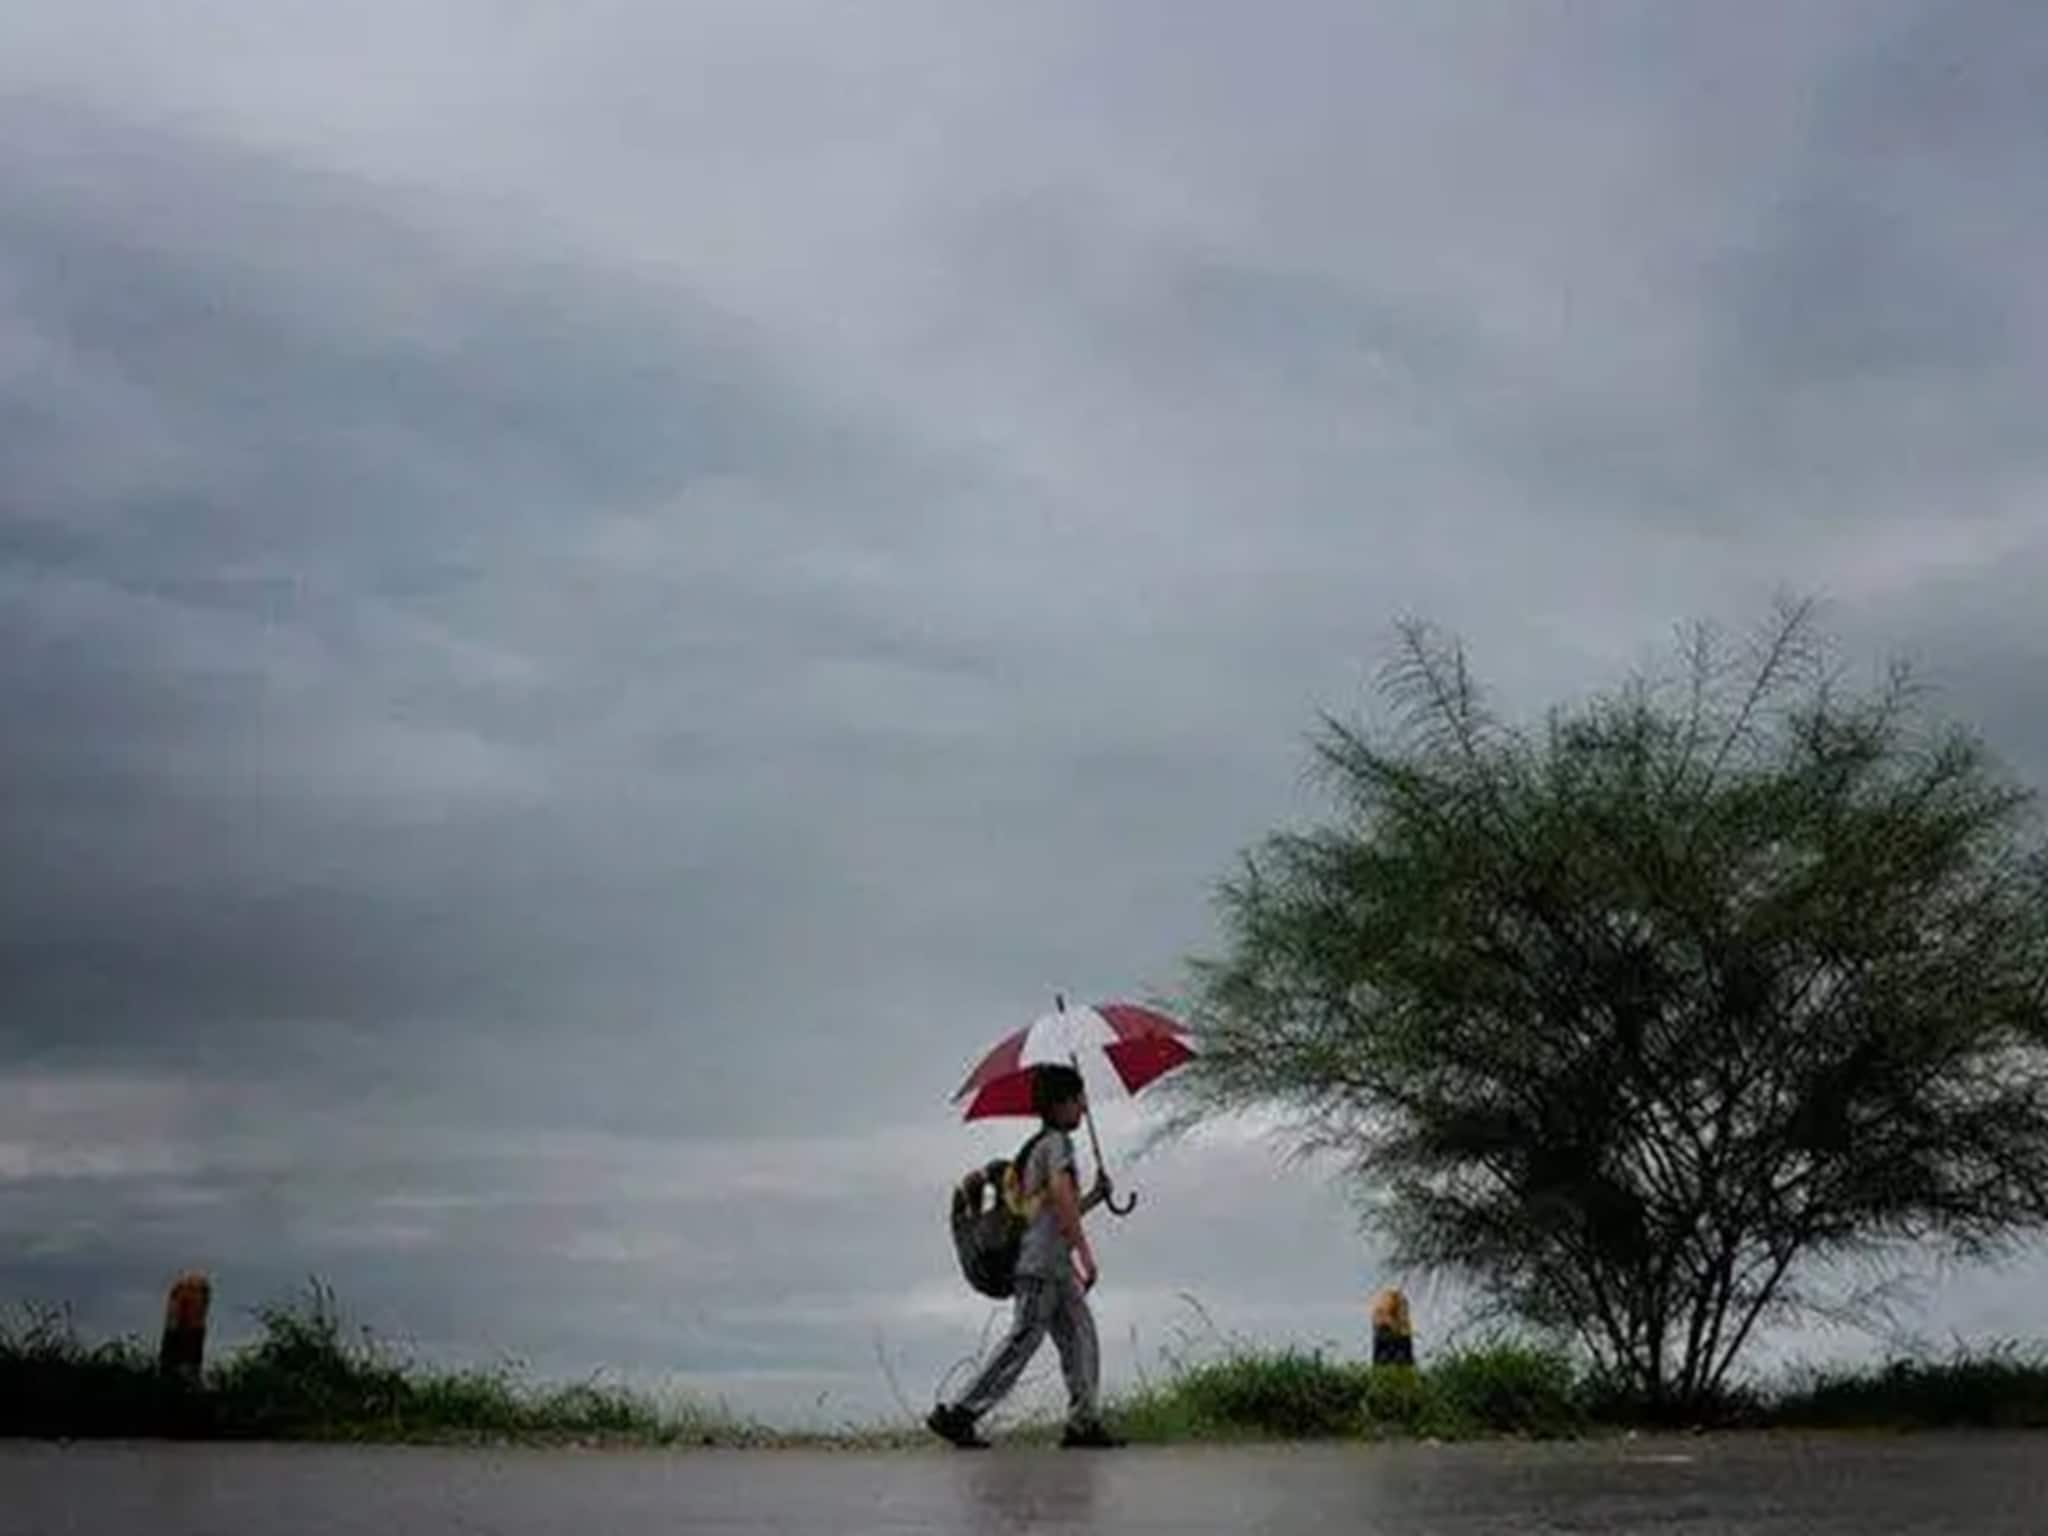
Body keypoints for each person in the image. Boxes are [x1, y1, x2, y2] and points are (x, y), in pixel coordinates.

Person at [928, 1063, 1124, 1448]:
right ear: (1060, 1103)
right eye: (1079, 1099)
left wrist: (1097, 1198)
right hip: (1039, 1266)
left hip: (1054, 1266)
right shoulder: (1057, 1145)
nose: (1084, 1108)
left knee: (1082, 1337)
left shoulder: (1038, 1148)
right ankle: (960, 1413)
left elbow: (1052, 1214)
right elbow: (1063, 1200)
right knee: (1022, 1341)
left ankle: (1083, 1424)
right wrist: (1085, 1251)